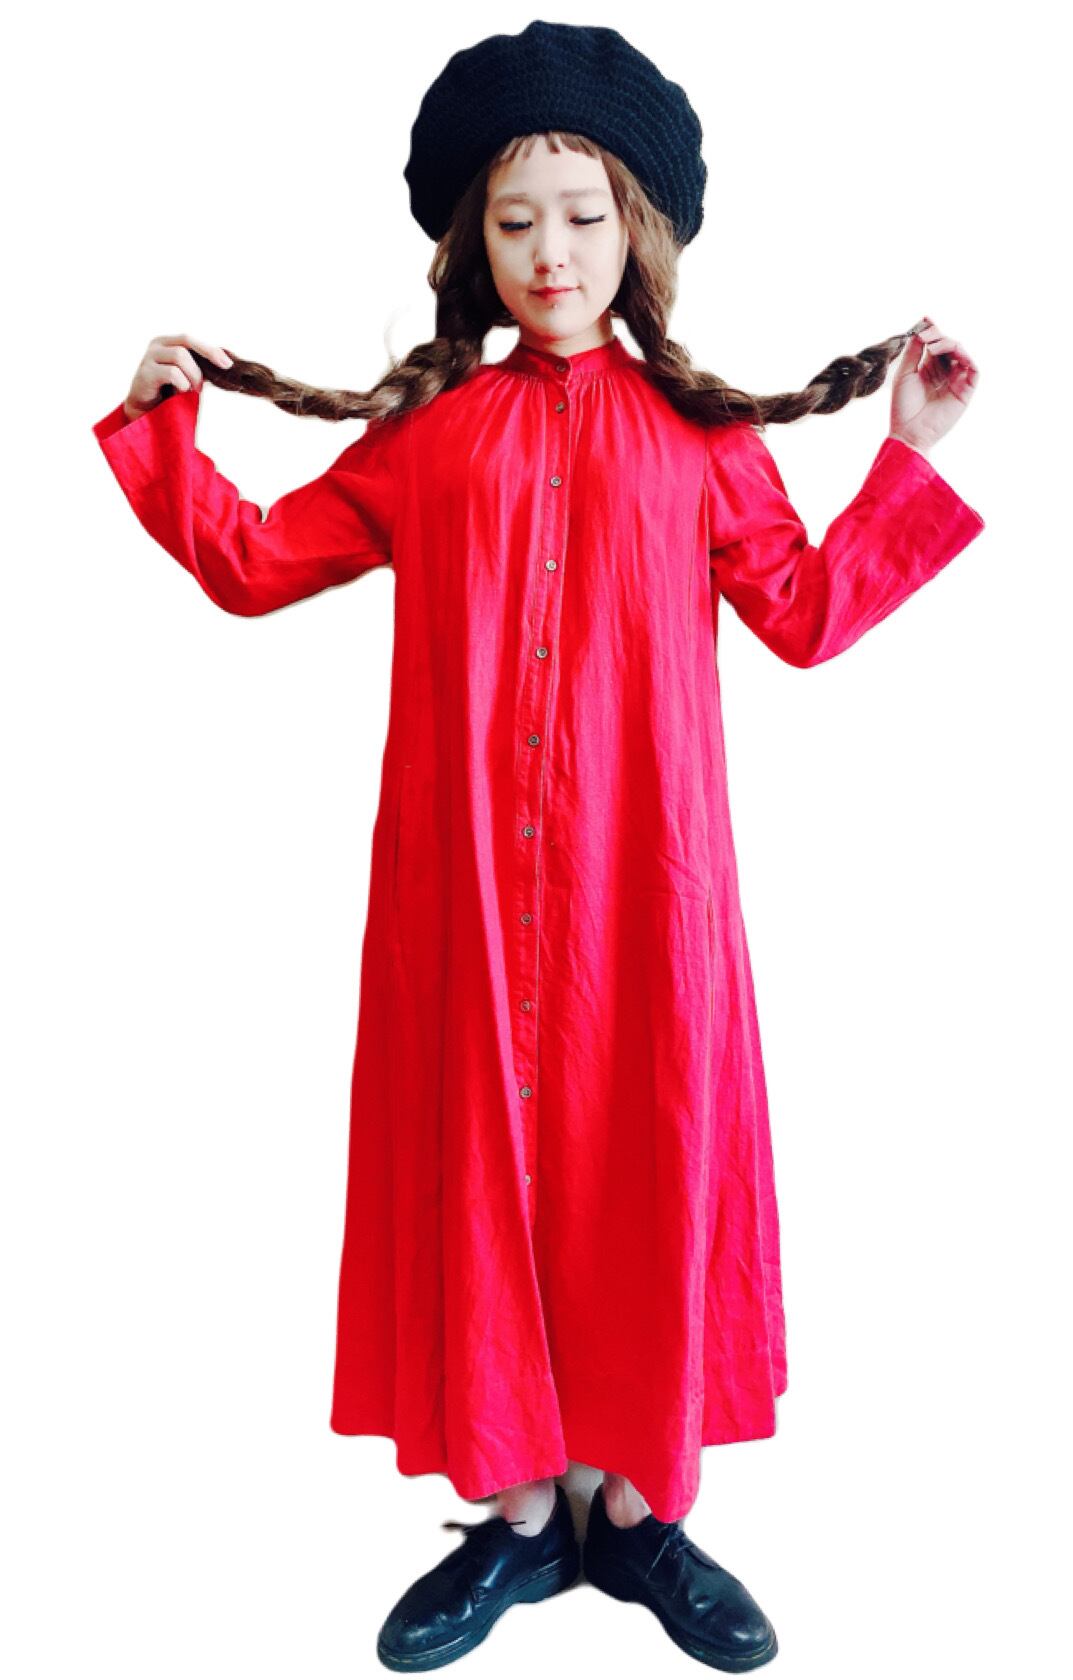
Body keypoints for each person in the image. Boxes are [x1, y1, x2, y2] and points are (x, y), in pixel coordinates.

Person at [91, 19, 984, 1673]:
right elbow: (256, 563)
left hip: (650, 898)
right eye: (515, 221)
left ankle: (637, 1515)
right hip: (466, 903)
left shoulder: (702, 441)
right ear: (472, 244)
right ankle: (514, 1521)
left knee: (645, 1162)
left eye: (581, 213)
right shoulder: (429, 438)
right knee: (482, 1178)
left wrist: (908, 459)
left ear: (637, 229)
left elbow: (801, 613)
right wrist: (163, 435)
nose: (551, 252)